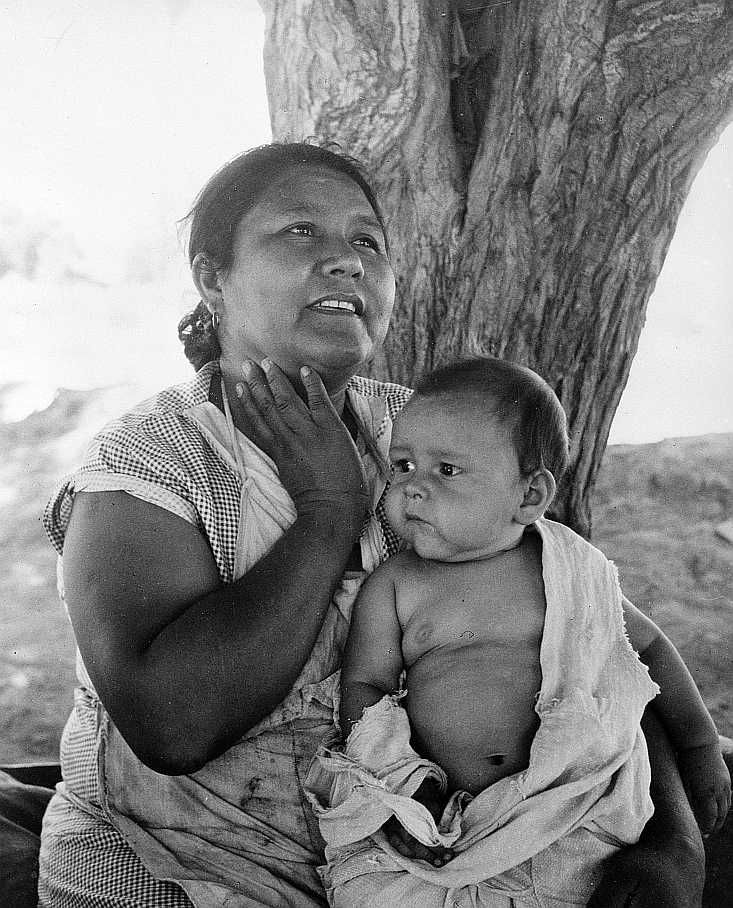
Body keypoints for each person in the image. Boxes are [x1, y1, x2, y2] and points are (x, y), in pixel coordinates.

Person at [38, 143, 706, 907]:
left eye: (366, 241)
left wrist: (668, 842)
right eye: (298, 231)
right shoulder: (150, 461)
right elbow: (171, 728)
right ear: (210, 277)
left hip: (439, 859)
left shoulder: (421, 433)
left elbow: (585, 636)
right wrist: (328, 510)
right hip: (179, 871)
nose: (345, 261)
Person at [307, 356, 730, 907]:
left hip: (571, 807)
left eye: (447, 471)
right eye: (403, 466)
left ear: (529, 497)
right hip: (446, 819)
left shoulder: (569, 567)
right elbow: (365, 688)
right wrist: (404, 783)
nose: (413, 489)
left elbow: (645, 649)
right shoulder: (396, 585)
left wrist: (699, 745)